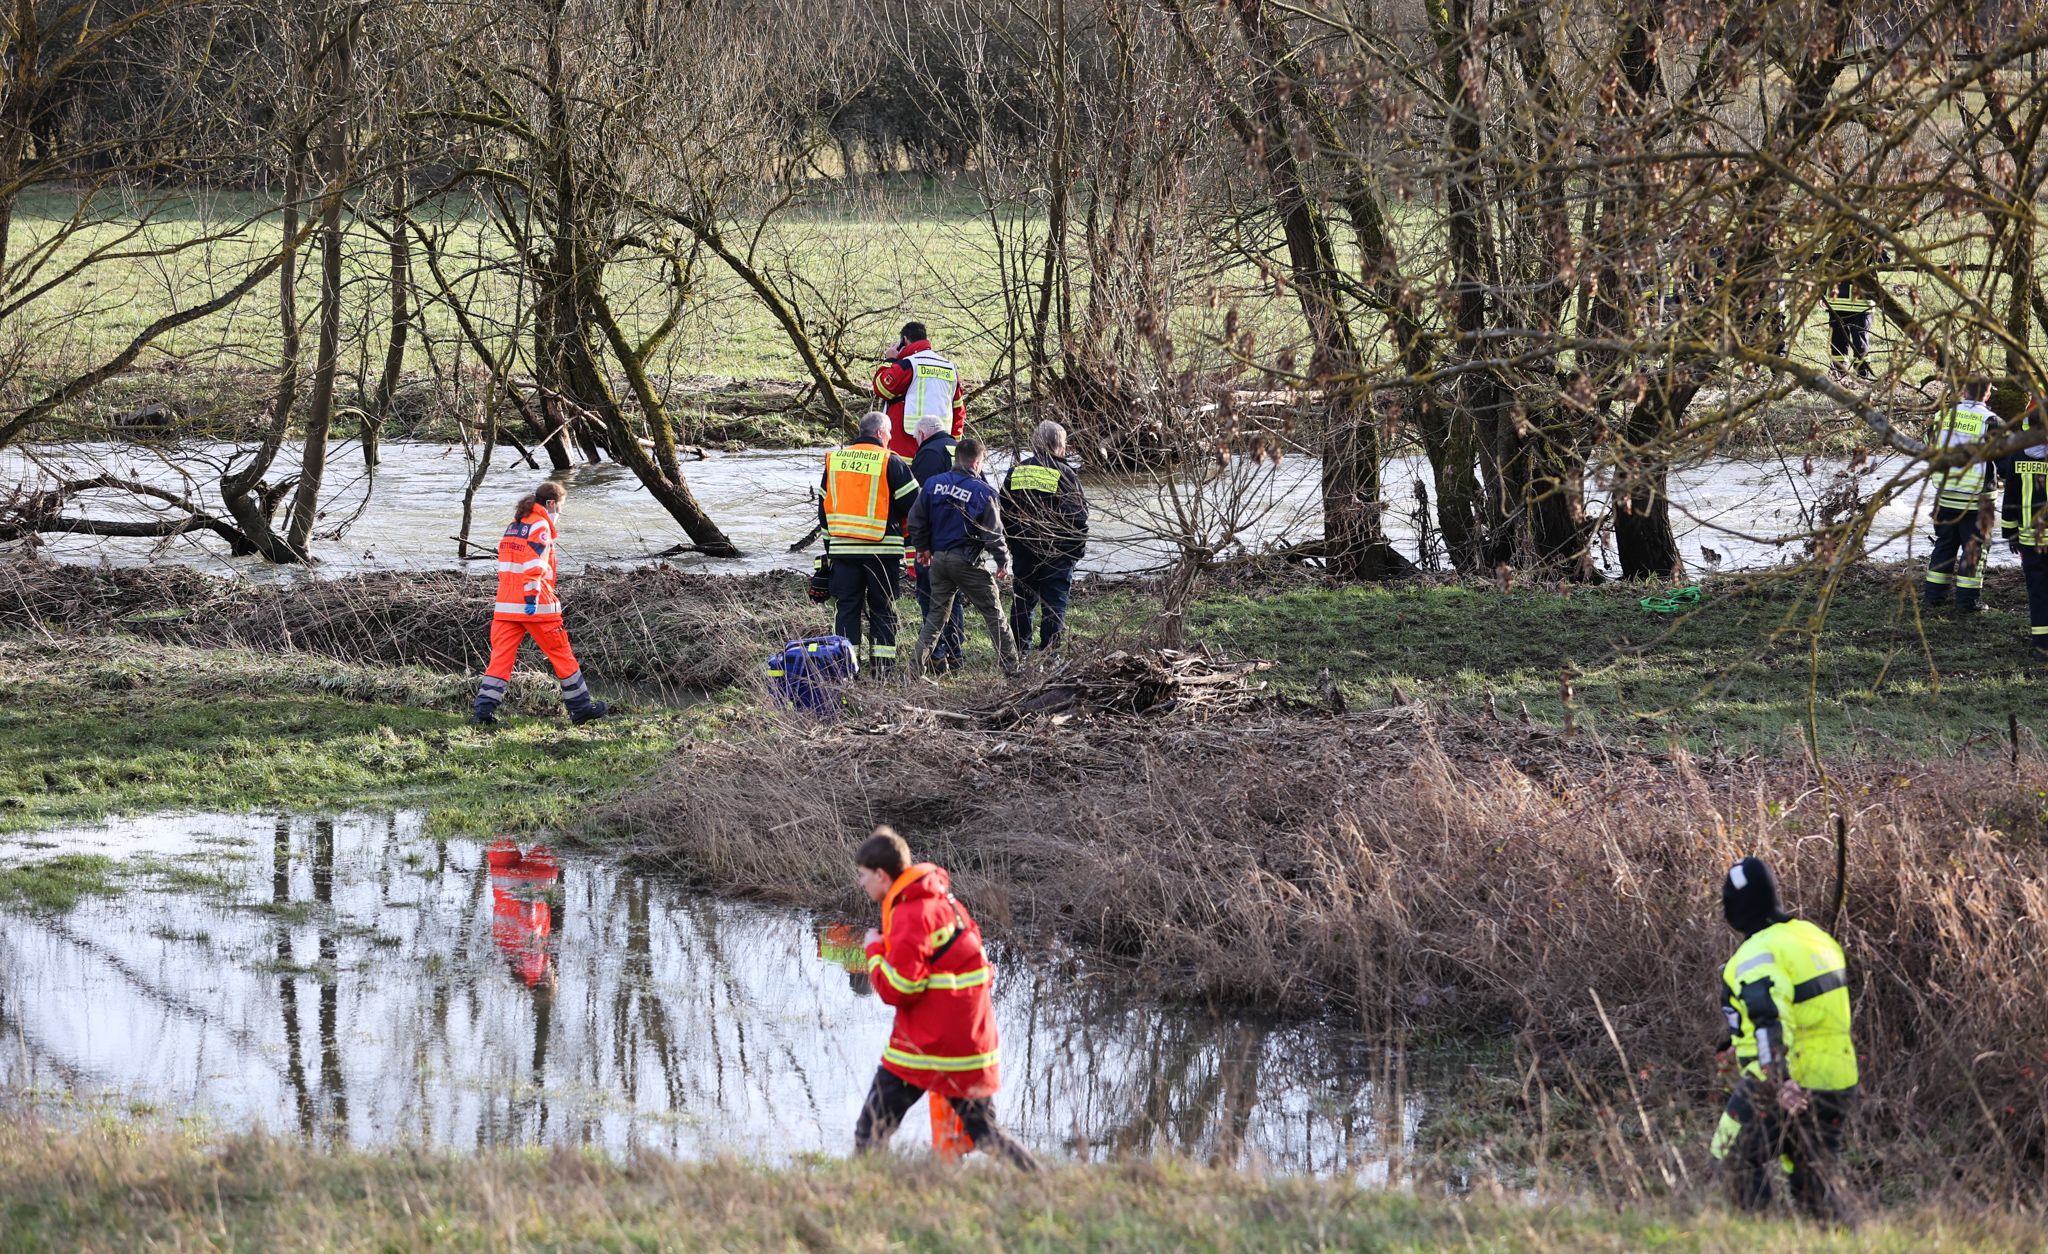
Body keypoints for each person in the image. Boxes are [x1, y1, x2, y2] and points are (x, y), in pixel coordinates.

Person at [852, 825, 1037, 1169]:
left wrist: (874, 950)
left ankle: (866, 1200)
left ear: (881, 874)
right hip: (968, 1044)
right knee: (984, 1132)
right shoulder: (940, 901)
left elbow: (900, 989)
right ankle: (1042, 1184)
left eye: (863, 876)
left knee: (870, 1131)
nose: (860, 883)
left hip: (926, 1047)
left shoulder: (909, 913)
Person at [1710, 856, 1858, 1222]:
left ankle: (1759, 1242)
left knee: (1731, 1159)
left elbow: (1769, 1018)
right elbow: (1809, 1010)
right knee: (1813, 1185)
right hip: (1836, 1081)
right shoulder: (1814, 937)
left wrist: (1778, 1078)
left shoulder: (1755, 955)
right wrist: (1733, 1042)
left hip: (1782, 1081)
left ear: (1737, 908)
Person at [471, 481, 609, 727]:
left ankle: (483, 713)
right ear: (552, 504)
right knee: (561, 654)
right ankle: (581, 709)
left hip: (505, 605)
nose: (560, 513)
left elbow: (506, 565)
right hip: (536, 605)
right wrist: (532, 598)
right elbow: (534, 566)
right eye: (561, 507)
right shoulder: (541, 526)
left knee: (500, 660)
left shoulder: (514, 525)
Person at [906, 437, 1021, 675]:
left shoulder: (932, 484)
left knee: (935, 618)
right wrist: (1002, 561)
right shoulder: (983, 491)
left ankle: (914, 670)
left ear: (956, 458)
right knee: (993, 613)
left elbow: (915, 520)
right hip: (967, 562)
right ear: (977, 462)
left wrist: (923, 549)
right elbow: (993, 533)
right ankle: (1013, 670)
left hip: (939, 561)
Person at [820, 411, 919, 674]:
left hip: (842, 552)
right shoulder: (890, 462)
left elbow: (823, 510)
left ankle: (845, 668)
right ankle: (883, 669)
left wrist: (830, 550)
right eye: (889, 434)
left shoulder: (835, 460)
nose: (890, 438)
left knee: (846, 610)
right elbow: (915, 506)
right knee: (883, 610)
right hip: (882, 552)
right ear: (879, 433)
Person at [1000, 420, 1089, 654]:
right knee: (1054, 603)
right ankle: (1050, 654)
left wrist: (1013, 543)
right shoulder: (1065, 473)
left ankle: (1020, 651)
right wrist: (1075, 552)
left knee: (1022, 602)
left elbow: (1003, 512)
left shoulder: (1017, 471)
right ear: (1059, 444)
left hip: (1023, 549)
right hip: (1057, 552)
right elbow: (1078, 517)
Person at [1923, 377, 2000, 613]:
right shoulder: (1991, 421)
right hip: (1978, 498)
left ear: (1964, 391)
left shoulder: (1943, 416)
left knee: (1944, 545)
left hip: (1945, 493)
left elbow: (1928, 443)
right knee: (1974, 547)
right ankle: (1968, 602)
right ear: (1987, 395)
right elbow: (2004, 453)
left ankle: (1934, 597)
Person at [908, 414, 965, 673]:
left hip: (935, 542)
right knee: (955, 598)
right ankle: (955, 654)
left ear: (922, 434)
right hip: (963, 540)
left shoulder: (927, 453)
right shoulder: (960, 449)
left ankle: (937, 655)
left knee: (931, 599)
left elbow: (918, 502)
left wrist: (919, 543)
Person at [1999, 400, 2048, 661]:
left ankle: (2042, 646)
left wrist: (2010, 532)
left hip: (2030, 539)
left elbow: (2011, 498)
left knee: (2039, 591)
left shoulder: (2018, 455)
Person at [872, 321, 964, 459]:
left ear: (904, 340)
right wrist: (954, 447)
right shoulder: (950, 368)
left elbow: (881, 388)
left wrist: (890, 360)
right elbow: (958, 410)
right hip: (942, 450)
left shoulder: (908, 365)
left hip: (905, 449)